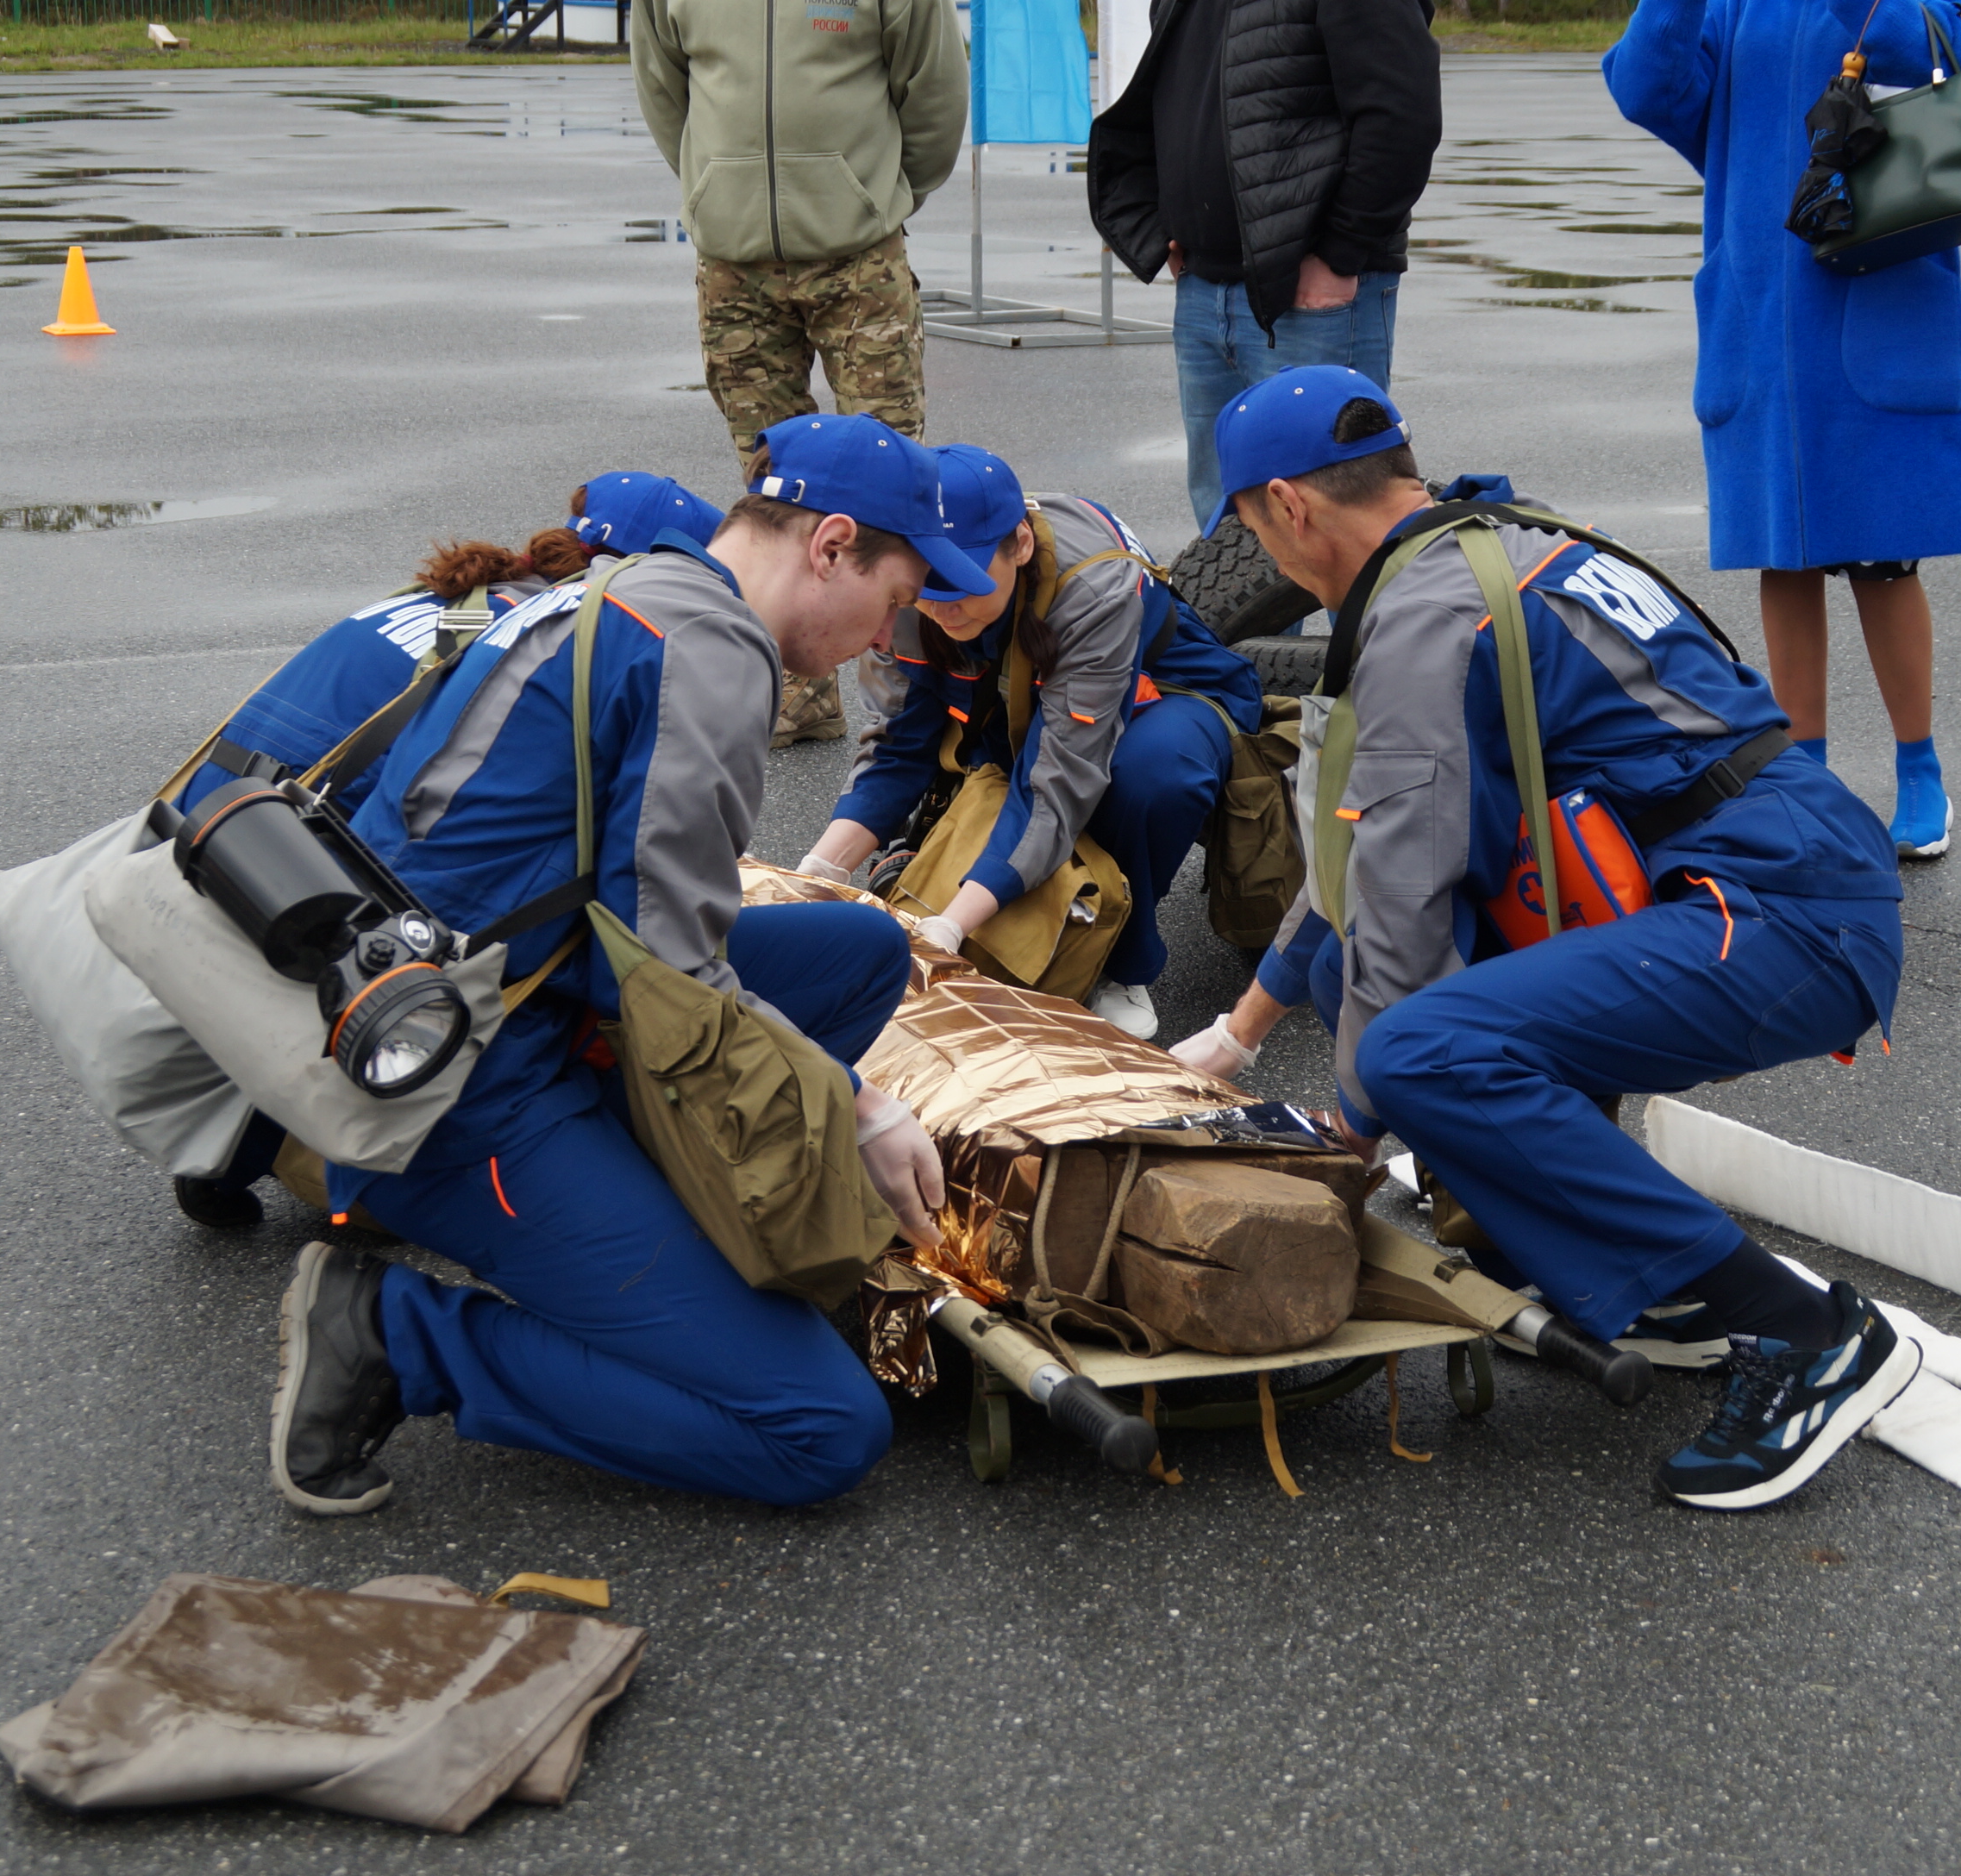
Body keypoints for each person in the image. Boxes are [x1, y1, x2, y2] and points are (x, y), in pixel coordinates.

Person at [1193, 366, 1915, 1510]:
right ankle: (1644, 1278)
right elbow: (1362, 860)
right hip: (1780, 873)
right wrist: (1244, 1029)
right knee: (1365, 992)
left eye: (1250, 532)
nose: (1270, 569)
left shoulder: (1427, 617)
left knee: (1414, 1051)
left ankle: (1806, 1336)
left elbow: (1402, 900)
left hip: (1782, 910)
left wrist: (1346, 1134)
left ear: (1287, 507)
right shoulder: (1494, 541)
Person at [266, 416, 991, 1516]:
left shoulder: (645, 583)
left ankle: (654, 1216)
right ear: (831, 544)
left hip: (457, 992)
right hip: (466, 1094)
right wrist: (851, 1103)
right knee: (823, 1430)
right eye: (894, 602)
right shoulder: (709, 651)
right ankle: (390, 1332)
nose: (888, 637)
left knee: (858, 949)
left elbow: (636, 925)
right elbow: (664, 976)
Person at [160, 474, 726, 1230]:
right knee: (478, 925)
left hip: (217, 813)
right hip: (283, 852)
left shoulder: (463, 593)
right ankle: (288, 1149)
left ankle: (226, 1149)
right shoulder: (538, 628)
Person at [1601, 0, 1961, 861]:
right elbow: (1643, 88)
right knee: (1783, 556)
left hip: (1878, 301)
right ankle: (1806, 779)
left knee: (1885, 559)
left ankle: (1918, 768)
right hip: (1759, 316)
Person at [793, 446, 1265, 1040]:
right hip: (1018, 702)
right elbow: (894, 747)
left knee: (1149, 776)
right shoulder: (908, 585)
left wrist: (949, 928)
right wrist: (818, 872)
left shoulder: (1093, 586)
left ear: (1018, 545)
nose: (943, 604)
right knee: (999, 792)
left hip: (1161, 695)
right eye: (927, 584)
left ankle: (1121, 958)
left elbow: (1057, 782)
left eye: (962, 578)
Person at [633, 0, 965, 753]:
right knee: (769, 482)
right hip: (734, 259)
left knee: (891, 483)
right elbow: (664, 91)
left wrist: (877, 192)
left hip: (859, 255)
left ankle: (908, 700)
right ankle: (793, 691)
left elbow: (936, 93)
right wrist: (716, 187)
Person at [1085, 0, 1440, 533]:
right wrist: (1169, 228)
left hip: (1313, 295)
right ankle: (1246, 625)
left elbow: (1402, 116)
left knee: (1340, 523)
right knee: (1228, 528)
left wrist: (1340, 252)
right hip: (1206, 289)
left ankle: (1367, 622)